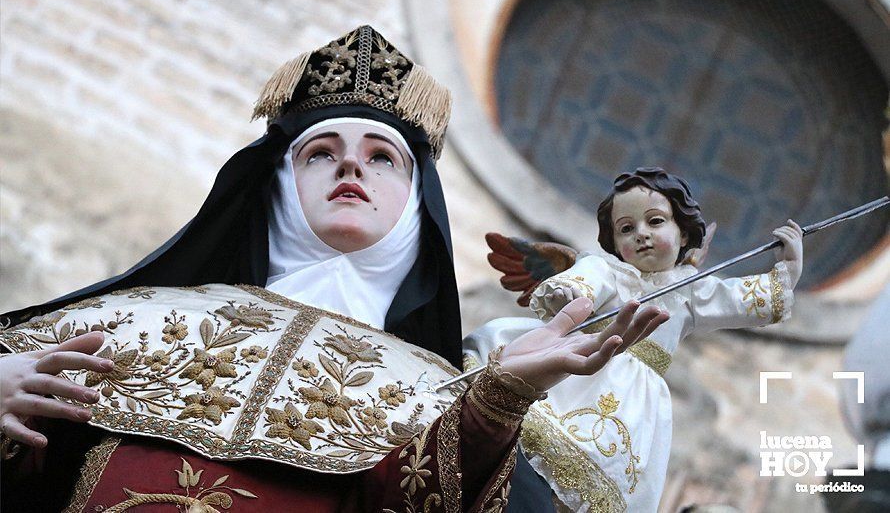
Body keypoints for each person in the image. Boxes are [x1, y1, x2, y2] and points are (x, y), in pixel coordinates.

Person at [0, 26, 669, 512]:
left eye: (384, 157)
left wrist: (495, 405)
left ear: (416, 207)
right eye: (320, 152)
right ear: (275, 186)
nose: (352, 165)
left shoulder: (444, 395)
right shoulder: (130, 320)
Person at [464, 167, 803, 512]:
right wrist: (570, 292)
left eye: (655, 222)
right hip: (583, 368)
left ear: (684, 234)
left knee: (591, 479)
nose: (641, 234)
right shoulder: (608, 270)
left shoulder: (692, 291)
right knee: (530, 444)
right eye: (627, 228)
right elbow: (585, 282)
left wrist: (787, 272)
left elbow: (740, 300)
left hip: (633, 403)